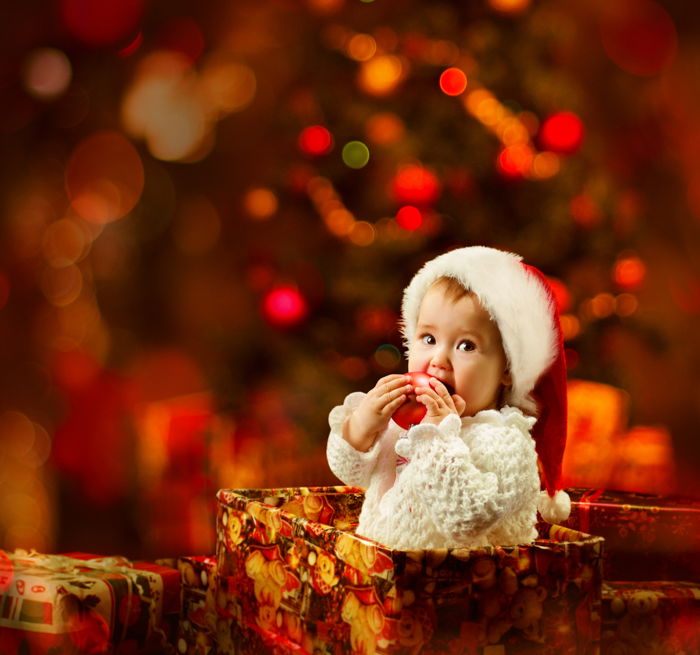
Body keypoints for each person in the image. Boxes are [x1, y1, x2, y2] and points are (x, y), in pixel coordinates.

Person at [326, 246, 571, 550]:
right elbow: (351, 472)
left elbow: (467, 520)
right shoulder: (409, 423)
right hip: (383, 577)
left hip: (458, 588)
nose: (438, 359)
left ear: (508, 368)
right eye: (428, 339)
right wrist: (361, 426)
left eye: (466, 346)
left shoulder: (503, 439)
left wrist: (438, 435)